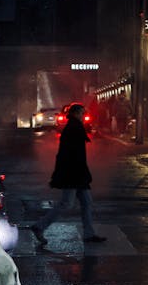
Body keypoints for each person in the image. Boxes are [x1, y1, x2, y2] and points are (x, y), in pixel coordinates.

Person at [32, 102, 106, 246]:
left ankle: (89, 234)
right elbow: (71, 155)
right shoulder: (74, 128)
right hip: (74, 174)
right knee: (67, 203)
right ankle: (39, 226)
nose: (83, 116)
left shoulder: (73, 127)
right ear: (76, 113)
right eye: (82, 113)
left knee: (86, 203)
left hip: (76, 173)